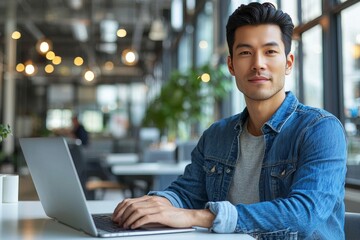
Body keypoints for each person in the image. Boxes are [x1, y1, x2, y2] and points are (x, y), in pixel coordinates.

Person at [112, 2, 347, 239]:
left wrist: (197, 217)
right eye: (245, 52)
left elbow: (303, 215)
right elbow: (186, 193)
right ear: (231, 65)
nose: (258, 64)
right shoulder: (217, 135)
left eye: (270, 51)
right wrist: (151, 204)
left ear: (288, 63)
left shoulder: (320, 129)